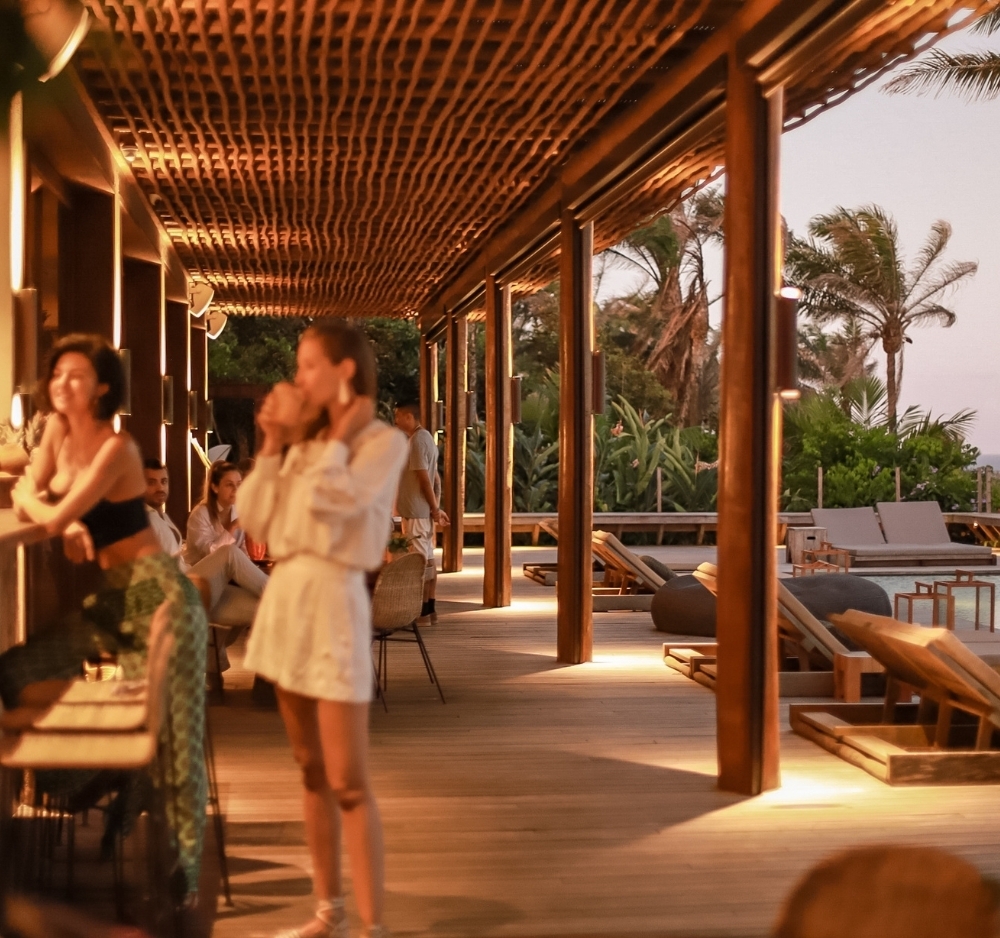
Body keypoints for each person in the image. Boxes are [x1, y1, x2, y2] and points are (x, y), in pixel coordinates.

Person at [7, 333, 208, 906]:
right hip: (116, 597)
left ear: (101, 388)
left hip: (157, 594)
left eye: (76, 375)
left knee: (176, 736)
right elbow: (35, 495)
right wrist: (57, 513)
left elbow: (43, 509)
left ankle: (186, 872)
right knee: (16, 672)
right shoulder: (54, 430)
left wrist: (54, 514)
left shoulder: (118, 448)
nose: (62, 384)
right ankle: (96, 777)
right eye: (57, 374)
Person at [237, 320, 407, 938]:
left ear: (344, 370)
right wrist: (273, 442)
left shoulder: (384, 442)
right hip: (287, 600)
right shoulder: (303, 447)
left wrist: (336, 440)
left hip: (335, 601)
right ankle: (326, 912)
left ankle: (372, 927)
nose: (297, 377)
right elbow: (255, 518)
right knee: (309, 769)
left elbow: (335, 503)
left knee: (348, 780)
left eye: (309, 365)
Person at [143, 457, 267, 610]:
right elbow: (211, 554)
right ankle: (283, 594)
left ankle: (284, 602)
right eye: (152, 482)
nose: (160, 488)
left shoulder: (162, 517)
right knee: (229, 552)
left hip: (197, 585)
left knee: (262, 608)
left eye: (164, 482)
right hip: (181, 592)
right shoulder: (144, 520)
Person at [392, 403, 448, 620]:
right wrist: (435, 507)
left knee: (419, 562)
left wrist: (434, 508)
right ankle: (429, 609)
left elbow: (425, 478)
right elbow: (436, 479)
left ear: (409, 417)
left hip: (416, 511)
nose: (395, 421)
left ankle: (421, 611)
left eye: (398, 416)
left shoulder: (417, 441)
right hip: (420, 509)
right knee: (428, 558)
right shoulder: (425, 439)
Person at [184, 460, 246, 566]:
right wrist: (232, 527)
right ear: (215, 487)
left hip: (229, 570)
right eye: (229, 485)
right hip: (199, 571)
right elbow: (211, 555)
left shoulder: (239, 511)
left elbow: (243, 551)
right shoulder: (200, 515)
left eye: (239, 484)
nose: (236, 489)